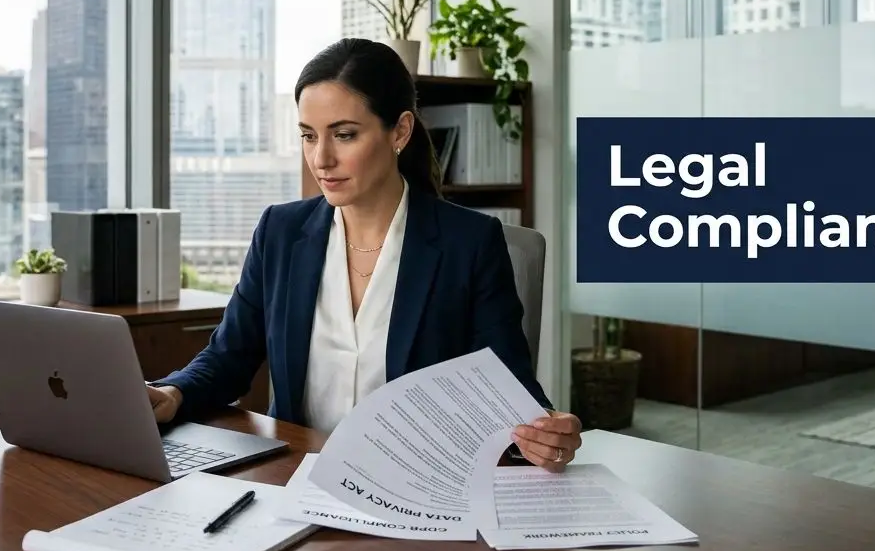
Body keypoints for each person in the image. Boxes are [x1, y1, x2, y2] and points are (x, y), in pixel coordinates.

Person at [148, 38, 583, 471]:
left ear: (400, 131)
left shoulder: (469, 243)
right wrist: (172, 393)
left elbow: (508, 388)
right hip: (300, 477)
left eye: (344, 135)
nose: (321, 158)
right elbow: (229, 357)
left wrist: (544, 432)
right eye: (308, 136)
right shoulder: (280, 232)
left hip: (417, 485)